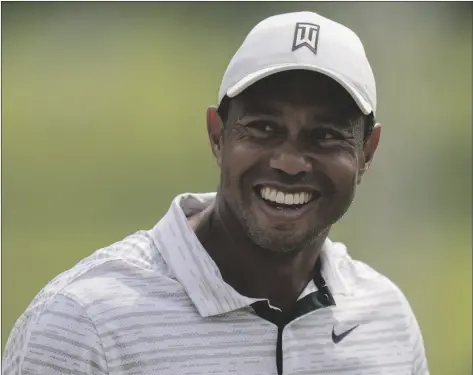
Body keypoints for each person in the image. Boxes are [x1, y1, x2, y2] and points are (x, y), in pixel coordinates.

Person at [2, 11, 429, 375]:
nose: (290, 162)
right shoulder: (84, 324)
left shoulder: (386, 321)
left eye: (326, 135)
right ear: (217, 135)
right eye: (263, 128)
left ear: (367, 152)